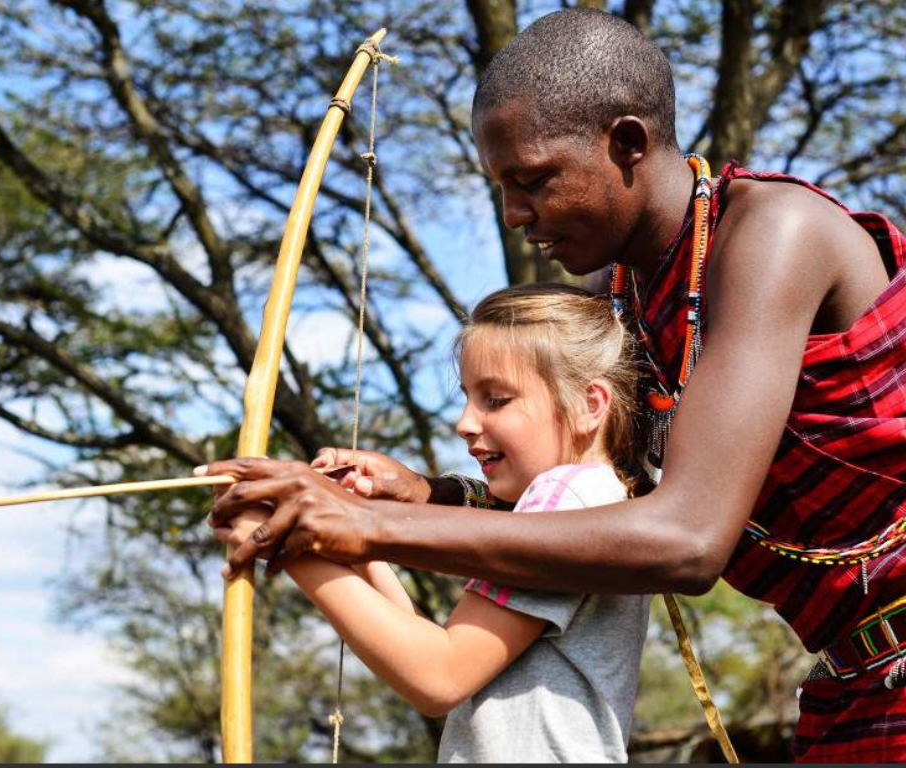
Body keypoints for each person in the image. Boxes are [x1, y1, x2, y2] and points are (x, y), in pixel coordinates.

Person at [199, 8, 906, 761]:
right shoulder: (619, 297)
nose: (513, 214)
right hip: (850, 680)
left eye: (531, 181)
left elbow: (689, 538)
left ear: (627, 143)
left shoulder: (775, 234)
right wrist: (424, 497)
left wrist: (361, 529)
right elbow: (599, 492)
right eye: (501, 188)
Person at [216, 283, 650, 762]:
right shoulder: (592, 499)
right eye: (468, 397)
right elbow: (431, 649)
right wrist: (347, 542)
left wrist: (287, 541)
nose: (465, 422)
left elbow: (438, 676)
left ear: (590, 405)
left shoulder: (567, 496)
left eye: (497, 399)